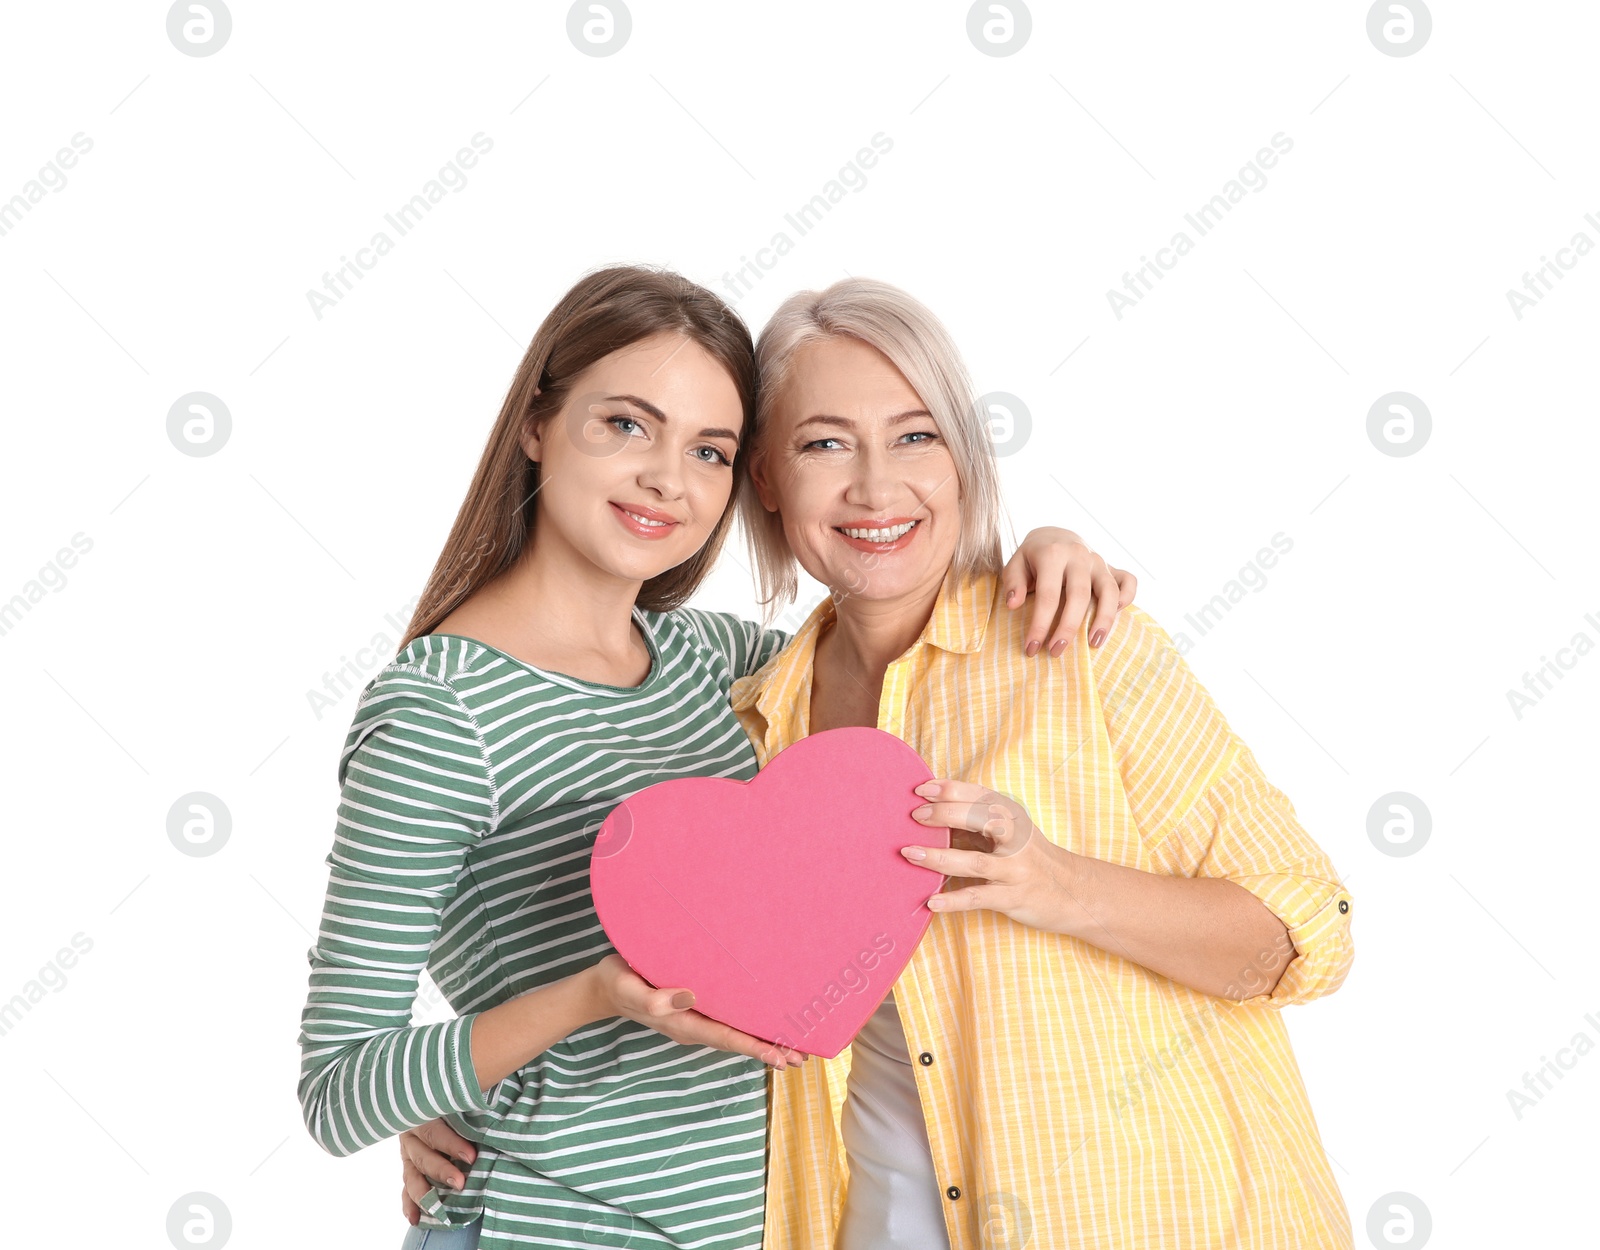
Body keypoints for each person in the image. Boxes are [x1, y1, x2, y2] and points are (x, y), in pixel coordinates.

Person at [295, 263, 1136, 1250]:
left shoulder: (724, 664)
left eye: (710, 449)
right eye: (626, 425)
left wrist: (1039, 544)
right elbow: (339, 1087)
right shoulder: (440, 712)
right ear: (535, 424)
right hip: (547, 1225)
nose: (667, 477)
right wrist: (592, 995)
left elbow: (903, 655)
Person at [729, 277, 1355, 1249]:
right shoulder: (752, 718)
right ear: (767, 476)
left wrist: (1055, 882)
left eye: (915, 434)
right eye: (823, 442)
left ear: (965, 460)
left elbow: (1300, 937)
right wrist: (433, 1086)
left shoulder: (1082, 646)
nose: (875, 485)